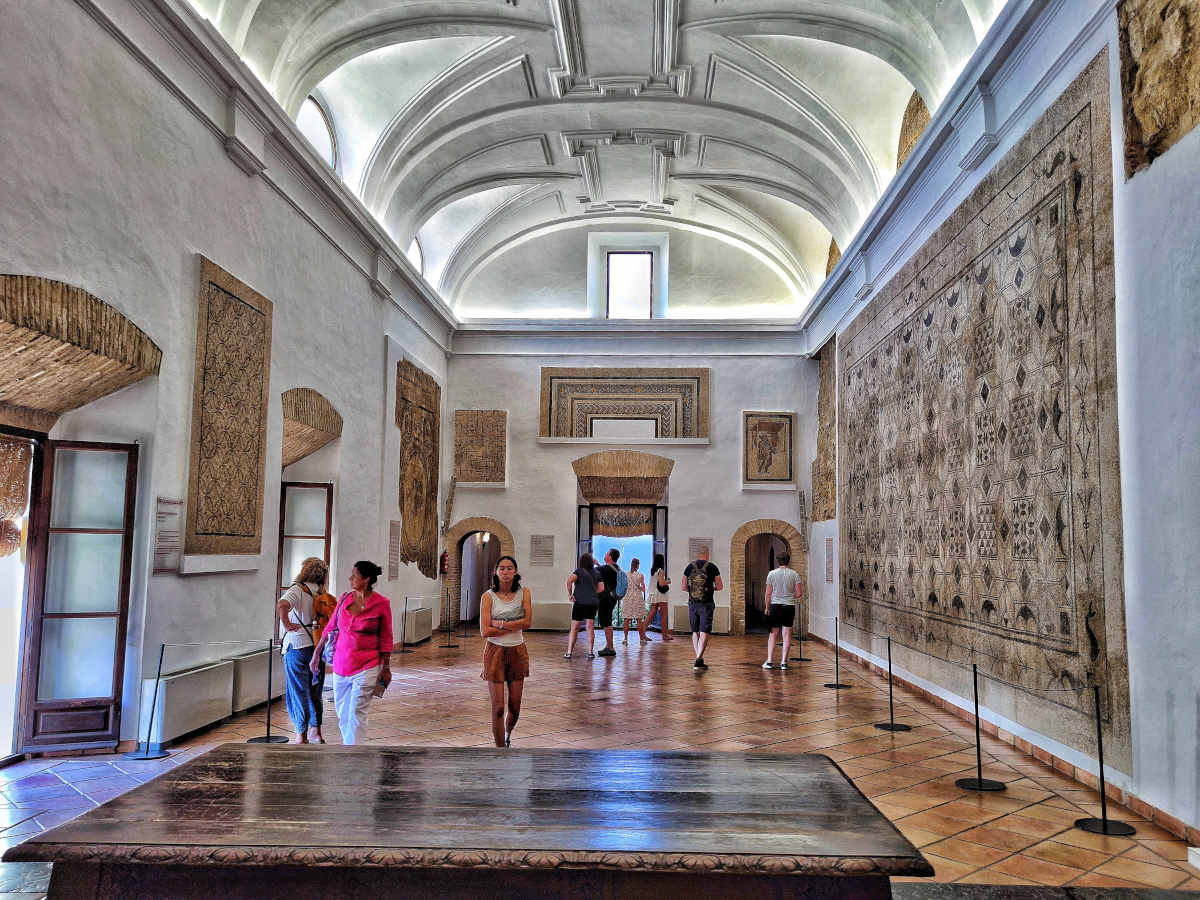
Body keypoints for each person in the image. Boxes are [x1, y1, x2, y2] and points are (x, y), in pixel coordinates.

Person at [310, 560, 392, 745]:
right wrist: (317, 653)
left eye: (354, 576)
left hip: (367, 665)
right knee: (343, 713)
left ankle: (353, 755)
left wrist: (386, 666)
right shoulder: (345, 598)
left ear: (367, 579)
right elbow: (330, 628)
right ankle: (351, 748)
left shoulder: (381, 604)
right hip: (341, 664)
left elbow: (386, 636)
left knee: (356, 712)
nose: (350, 578)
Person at [479, 555, 532, 747]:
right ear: (496, 572)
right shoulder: (488, 597)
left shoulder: (524, 593)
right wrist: (513, 625)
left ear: (515, 571)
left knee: (515, 707)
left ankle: (508, 734)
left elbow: (527, 623)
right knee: (499, 708)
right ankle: (499, 750)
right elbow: (485, 630)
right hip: (495, 652)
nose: (505, 571)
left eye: (509, 568)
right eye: (501, 568)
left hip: (517, 650)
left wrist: (500, 623)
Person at [277, 556, 328, 744]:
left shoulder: (298, 589)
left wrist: (287, 623)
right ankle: (317, 730)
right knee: (315, 689)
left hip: (297, 646)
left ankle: (301, 733)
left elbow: (282, 604)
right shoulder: (322, 592)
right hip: (317, 646)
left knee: (298, 690)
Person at [682, 545, 723, 670]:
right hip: (707, 603)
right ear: (707, 554)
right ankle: (699, 659)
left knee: (695, 631)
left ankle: (698, 657)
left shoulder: (689, 567)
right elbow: (720, 586)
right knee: (704, 631)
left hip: (692, 603)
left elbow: (683, 587)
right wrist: (711, 588)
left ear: (696, 555)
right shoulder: (712, 567)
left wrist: (693, 590)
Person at [762, 549, 801, 670]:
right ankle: (784, 663)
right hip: (789, 607)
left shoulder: (772, 574)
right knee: (787, 634)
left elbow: (768, 594)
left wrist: (767, 608)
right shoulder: (794, 574)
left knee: (773, 634)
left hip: (775, 606)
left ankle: (769, 661)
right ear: (788, 561)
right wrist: (789, 597)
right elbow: (799, 593)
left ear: (777, 561)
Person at [565, 552, 600, 659]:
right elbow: (601, 588)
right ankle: (590, 652)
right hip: (592, 603)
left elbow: (569, 581)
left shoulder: (579, 571)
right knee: (590, 628)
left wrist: (570, 594)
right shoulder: (596, 572)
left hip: (579, 603)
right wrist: (592, 594)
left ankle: (569, 652)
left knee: (574, 628)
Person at [594, 548, 621, 657]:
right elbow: (605, 572)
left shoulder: (604, 569)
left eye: (606, 553)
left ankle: (610, 648)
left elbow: (594, 573)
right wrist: (598, 564)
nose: (605, 555)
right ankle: (608, 646)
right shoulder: (617, 568)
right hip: (613, 598)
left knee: (606, 622)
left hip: (605, 598)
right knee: (607, 621)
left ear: (610, 556)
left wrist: (592, 564)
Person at [621, 558, 648, 645]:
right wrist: (640, 587)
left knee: (626, 619)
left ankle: (625, 639)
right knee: (639, 619)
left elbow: (623, 587)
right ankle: (642, 640)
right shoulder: (640, 575)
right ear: (638, 565)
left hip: (628, 597)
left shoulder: (625, 574)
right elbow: (643, 589)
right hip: (637, 597)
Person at [648, 553, 673, 641]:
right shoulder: (661, 571)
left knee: (651, 614)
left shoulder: (653, 570)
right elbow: (661, 584)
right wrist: (668, 581)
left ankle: (642, 633)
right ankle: (665, 635)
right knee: (664, 615)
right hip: (660, 595)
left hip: (653, 593)